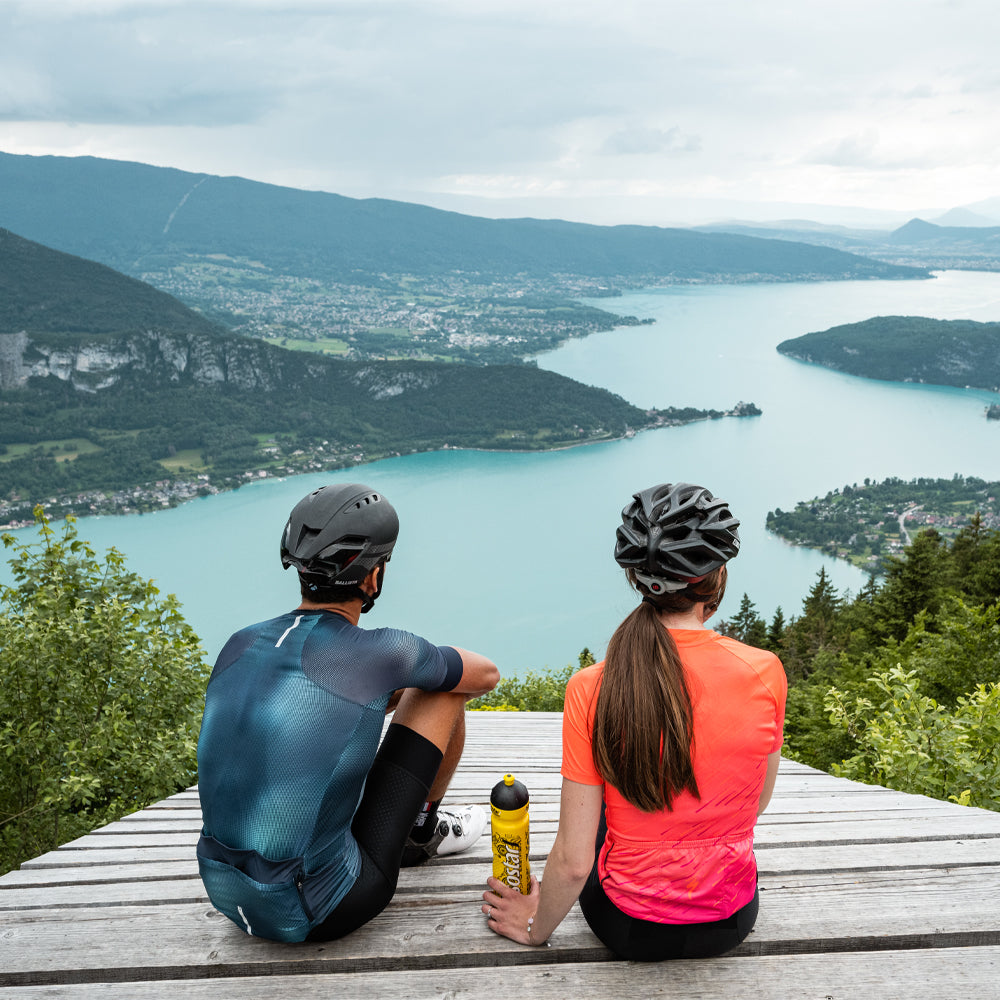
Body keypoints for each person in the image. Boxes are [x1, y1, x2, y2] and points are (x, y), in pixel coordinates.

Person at [482, 482, 786, 960]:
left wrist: (535, 926)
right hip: (731, 918)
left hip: (626, 925)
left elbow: (574, 860)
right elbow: (758, 802)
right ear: (717, 576)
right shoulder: (765, 671)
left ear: (637, 581)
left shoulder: (593, 686)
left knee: (602, 799)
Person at [197, 482, 499, 943]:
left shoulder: (239, 643)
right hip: (319, 908)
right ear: (372, 577)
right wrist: (400, 678)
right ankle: (421, 831)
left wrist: (378, 692)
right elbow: (485, 674)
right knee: (441, 690)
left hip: (226, 896)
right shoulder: (382, 652)